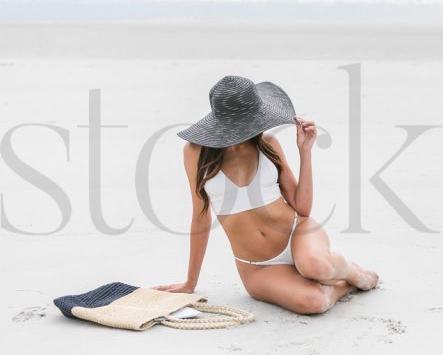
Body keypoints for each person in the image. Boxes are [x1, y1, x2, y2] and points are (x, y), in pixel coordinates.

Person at [153, 75, 379, 314]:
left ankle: (354, 273)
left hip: (296, 233)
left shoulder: (268, 144)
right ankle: (343, 286)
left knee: (318, 267)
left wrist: (305, 152)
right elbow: (200, 217)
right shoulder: (195, 153)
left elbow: (302, 208)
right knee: (315, 303)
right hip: (256, 266)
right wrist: (190, 282)